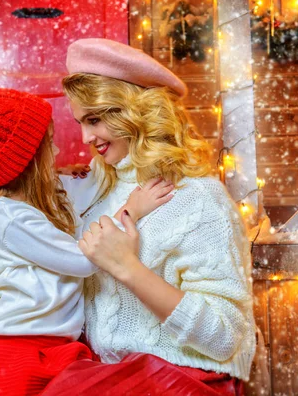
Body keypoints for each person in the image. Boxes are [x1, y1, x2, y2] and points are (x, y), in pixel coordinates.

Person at [0, 87, 174, 396]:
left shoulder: (47, 197)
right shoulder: (10, 218)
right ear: (28, 160)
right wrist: (132, 208)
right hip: (18, 354)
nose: (56, 152)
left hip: (57, 348)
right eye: (49, 145)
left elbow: (96, 182)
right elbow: (84, 260)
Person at [43, 38, 256, 395]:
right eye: (81, 122)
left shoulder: (199, 198)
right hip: (109, 375)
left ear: (134, 111)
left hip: (184, 378)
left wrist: (128, 268)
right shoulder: (100, 192)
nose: (84, 137)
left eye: (95, 119)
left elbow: (224, 338)